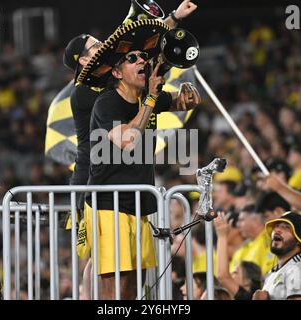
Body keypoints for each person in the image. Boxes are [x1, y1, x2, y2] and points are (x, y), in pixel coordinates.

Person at [80, 20, 202, 299]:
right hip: (108, 205)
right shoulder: (107, 103)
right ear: (117, 72)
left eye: (143, 57)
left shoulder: (149, 98)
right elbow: (128, 140)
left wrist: (186, 92)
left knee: (134, 287)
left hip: (139, 204)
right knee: (115, 287)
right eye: (132, 58)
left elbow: (188, 102)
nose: (141, 61)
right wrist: (150, 100)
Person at [252, 211, 301, 300]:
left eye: (286, 227)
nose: (277, 230)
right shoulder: (274, 271)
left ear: (299, 241)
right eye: (277, 226)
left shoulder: (299, 268)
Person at [214, 211, 262, 300]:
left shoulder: (248, 297)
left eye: (235, 273)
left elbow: (223, 276)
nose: (231, 275)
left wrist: (222, 235)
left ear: (247, 282)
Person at [228, 204, 276, 276]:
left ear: (255, 220)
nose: (238, 224)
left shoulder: (270, 241)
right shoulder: (243, 248)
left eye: (241, 220)